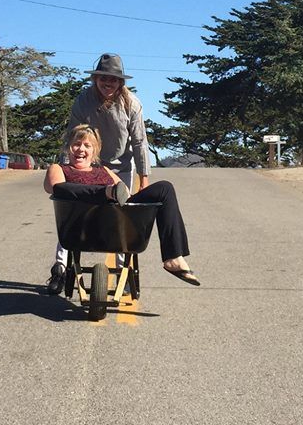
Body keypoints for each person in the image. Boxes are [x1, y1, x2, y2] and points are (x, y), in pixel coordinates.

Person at [45, 52, 151, 294]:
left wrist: (143, 180)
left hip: (120, 168)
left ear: (120, 82)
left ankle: (123, 272)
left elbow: (139, 142)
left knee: (121, 217)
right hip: (86, 164)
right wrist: (66, 170)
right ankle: (60, 267)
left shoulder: (131, 104)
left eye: (113, 79)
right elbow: (73, 136)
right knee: (70, 211)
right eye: (103, 78)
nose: (108, 83)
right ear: (95, 79)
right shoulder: (84, 100)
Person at [44, 124, 200, 286]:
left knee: (165, 188)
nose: (81, 149)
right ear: (68, 147)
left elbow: (124, 195)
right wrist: (104, 192)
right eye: (76, 144)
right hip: (81, 230)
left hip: (115, 230)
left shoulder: (104, 170)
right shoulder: (59, 169)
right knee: (72, 190)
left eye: (87, 145)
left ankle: (173, 257)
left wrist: (116, 193)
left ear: (94, 150)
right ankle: (60, 272)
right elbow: (57, 188)